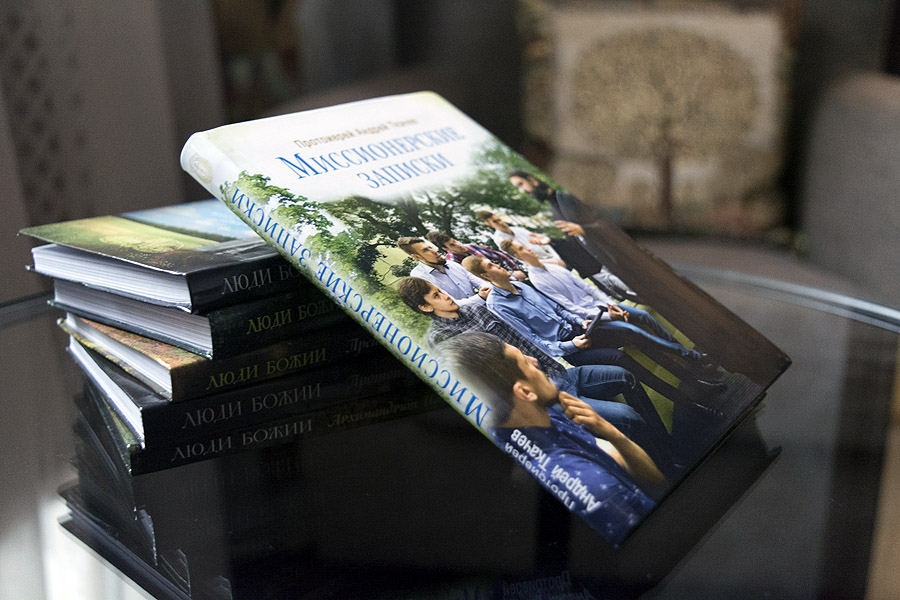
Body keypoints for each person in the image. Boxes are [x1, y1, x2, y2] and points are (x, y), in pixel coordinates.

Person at [396, 277, 678, 454]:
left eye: (439, 290)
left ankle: (665, 444)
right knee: (627, 416)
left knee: (625, 376)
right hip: (539, 396)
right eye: (436, 296)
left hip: (558, 372)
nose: (445, 295)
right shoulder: (441, 342)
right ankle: (660, 461)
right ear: (425, 308)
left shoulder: (475, 307)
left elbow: (522, 335)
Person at [437, 332, 664, 544]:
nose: (535, 361)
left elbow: (613, 455)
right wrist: (614, 437)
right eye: (525, 362)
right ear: (525, 392)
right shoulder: (597, 491)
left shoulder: (523, 419)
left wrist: (607, 429)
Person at [499, 239, 671, 343]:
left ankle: (679, 347)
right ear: (518, 256)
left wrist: (611, 304)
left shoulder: (553, 267)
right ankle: (680, 353)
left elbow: (588, 287)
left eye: (524, 246)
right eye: (521, 249)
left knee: (644, 315)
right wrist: (609, 316)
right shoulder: (537, 280)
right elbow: (571, 308)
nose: (528, 248)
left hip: (602, 305)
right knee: (634, 330)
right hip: (593, 317)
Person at [396, 236, 489, 306]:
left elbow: (479, 282)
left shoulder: (451, 264)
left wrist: (486, 290)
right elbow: (450, 304)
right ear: (417, 257)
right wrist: (480, 297)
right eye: (425, 250)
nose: (434, 251)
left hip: (484, 304)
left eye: (430, 247)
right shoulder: (420, 277)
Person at [474, 210, 566, 268]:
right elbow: (525, 260)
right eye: (495, 222)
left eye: (499, 219)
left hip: (554, 258)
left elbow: (544, 244)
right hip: (541, 265)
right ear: (489, 225)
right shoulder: (500, 240)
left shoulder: (517, 229)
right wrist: (555, 262)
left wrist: (557, 258)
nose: (501, 223)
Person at [424, 230, 527, 281]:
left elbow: (499, 256)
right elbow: (478, 281)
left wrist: (515, 270)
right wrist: (511, 277)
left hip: (509, 274)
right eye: (452, 245)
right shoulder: (453, 263)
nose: (458, 245)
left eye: (455, 241)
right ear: (446, 249)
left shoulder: (471, 247)